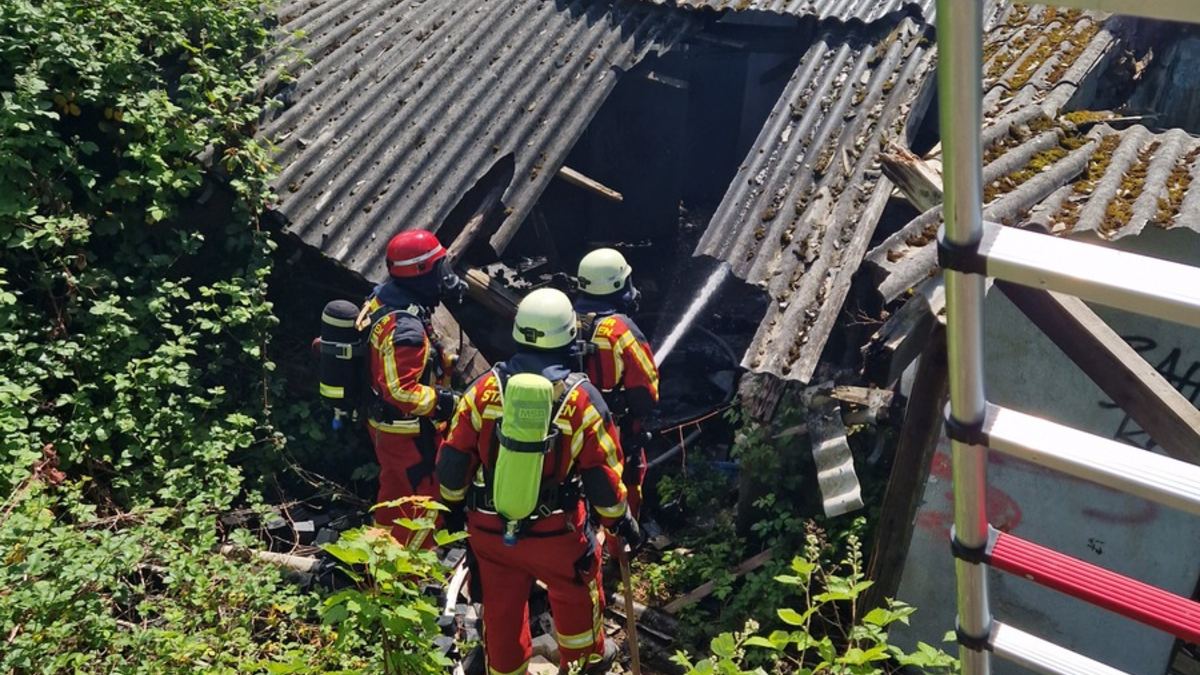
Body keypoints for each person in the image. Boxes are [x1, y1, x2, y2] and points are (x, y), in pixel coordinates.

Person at [436, 288, 643, 675]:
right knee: (576, 598)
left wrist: (451, 513)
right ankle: (586, 663)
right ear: (569, 337)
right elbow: (603, 478)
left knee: (501, 612)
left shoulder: (482, 390)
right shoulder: (582, 400)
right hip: (557, 534)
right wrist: (620, 523)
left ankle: (504, 670)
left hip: (490, 532)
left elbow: (451, 463)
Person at [364, 229, 466, 546]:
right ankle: (404, 577)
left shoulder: (384, 297)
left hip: (390, 427)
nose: (445, 275)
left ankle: (378, 561)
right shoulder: (404, 328)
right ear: (421, 272)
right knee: (420, 502)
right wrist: (447, 401)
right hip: (406, 432)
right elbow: (400, 391)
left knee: (394, 496)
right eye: (440, 267)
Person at [574, 248, 660, 531]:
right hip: (616, 433)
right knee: (621, 486)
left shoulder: (561, 321)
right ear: (618, 285)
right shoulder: (620, 330)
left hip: (569, 428)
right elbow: (647, 394)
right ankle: (621, 543)